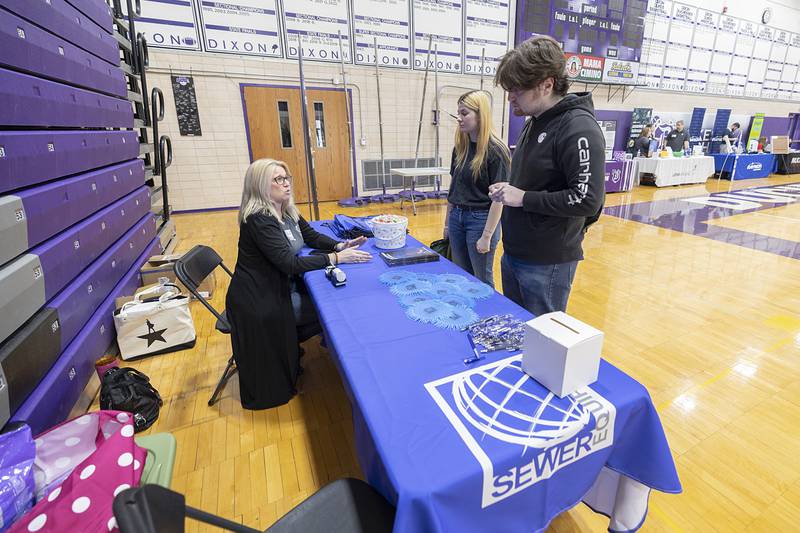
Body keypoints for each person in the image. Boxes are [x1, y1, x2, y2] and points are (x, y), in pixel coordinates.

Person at [225, 159, 371, 410]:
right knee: (331, 310)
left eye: (286, 178)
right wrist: (336, 259)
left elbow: (310, 235)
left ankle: (305, 348)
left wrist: (339, 245)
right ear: (260, 186)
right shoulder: (259, 218)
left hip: (276, 286)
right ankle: (352, 363)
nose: (285, 184)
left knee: (327, 301)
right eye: (277, 179)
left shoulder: (286, 209)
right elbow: (289, 264)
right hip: (258, 299)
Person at [488, 35, 605, 316]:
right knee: (518, 333)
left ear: (546, 84)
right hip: (516, 252)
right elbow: (538, 183)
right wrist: (512, 189)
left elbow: (587, 200)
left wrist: (524, 197)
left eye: (516, 89)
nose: (510, 97)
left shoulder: (579, 128)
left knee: (543, 344)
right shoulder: (535, 121)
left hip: (547, 262)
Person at [443, 90, 510, 286]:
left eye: (464, 113)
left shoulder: (496, 151)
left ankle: (488, 316)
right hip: (457, 217)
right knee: (460, 276)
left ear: (481, 115)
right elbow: (453, 189)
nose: (459, 118)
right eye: (458, 113)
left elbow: (499, 198)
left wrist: (487, 235)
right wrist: (447, 223)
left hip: (481, 220)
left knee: (481, 278)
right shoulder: (460, 148)